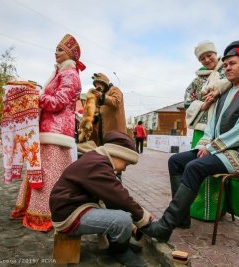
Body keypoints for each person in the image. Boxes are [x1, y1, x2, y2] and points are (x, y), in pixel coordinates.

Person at [140, 40, 239, 242]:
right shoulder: (226, 91)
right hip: (222, 151)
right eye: (226, 64)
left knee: (194, 167)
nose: (227, 67)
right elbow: (213, 124)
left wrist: (213, 148)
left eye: (233, 63)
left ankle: (165, 226)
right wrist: (204, 144)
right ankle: (181, 219)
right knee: (175, 161)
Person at [9, 33, 85, 231]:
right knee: (42, 172)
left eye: (60, 49)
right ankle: (36, 210)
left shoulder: (69, 74)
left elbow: (59, 102)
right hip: (49, 129)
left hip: (57, 132)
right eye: (56, 49)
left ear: (69, 53)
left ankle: (47, 214)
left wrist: (35, 96)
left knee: (50, 175)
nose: (55, 52)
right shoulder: (61, 73)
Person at [50, 131, 151, 267]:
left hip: (72, 207)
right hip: (69, 215)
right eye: (126, 164)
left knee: (123, 215)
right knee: (123, 220)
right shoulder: (98, 165)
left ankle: (121, 243)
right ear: (117, 154)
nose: (125, 169)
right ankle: (119, 251)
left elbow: (112, 198)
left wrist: (134, 221)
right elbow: (120, 196)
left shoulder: (97, 160)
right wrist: (142, 217)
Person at [183, 41, 233, 223]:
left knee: (222, 167)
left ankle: (223, 208)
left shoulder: (228, 69)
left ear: (215, 53)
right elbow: (188, 102)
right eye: (202, 58)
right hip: (202, 130)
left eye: (209, 55)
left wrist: (218, 91)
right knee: (199, 167)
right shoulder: (196, 81)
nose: (206, 60)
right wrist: (203, 104)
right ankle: (197, 210)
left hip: (224, 127)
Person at [79, 73, 126, 146]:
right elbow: (101, 111)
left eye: (99, 84)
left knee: (114, 151)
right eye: (96, 85)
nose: (97, 86)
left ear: (104, 83)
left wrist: (102, 96)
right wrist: (95, 118)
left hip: (115, 131)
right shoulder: (102, 95)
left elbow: (116, 101)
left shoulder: (114, 89)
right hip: (103, 132)